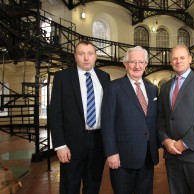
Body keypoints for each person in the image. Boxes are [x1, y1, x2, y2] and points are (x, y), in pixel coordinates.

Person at [49, 40, 110, 194]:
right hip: (71, 144)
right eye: (81, 54)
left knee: (93, 187)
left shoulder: (104, 77)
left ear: (96, 56)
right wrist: (60, 145)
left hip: (98, 142)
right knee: (70, 187)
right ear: (75, 56)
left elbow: (109, 112)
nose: (86, 58)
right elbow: (55, 113)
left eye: (90, 53)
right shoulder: (62, 77)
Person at [157, 45, 194, 194]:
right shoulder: (165, 88)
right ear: (171, 61)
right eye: (175, 58)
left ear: (190, 59)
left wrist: (184, 143)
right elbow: (161, 118)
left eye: (182, 57)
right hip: (172, 156)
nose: (178, 61)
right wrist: (165, 140)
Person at [101, 46, 159, 194]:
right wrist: (111, 152)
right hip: (122, 157)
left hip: (147, 157)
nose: (137, 66)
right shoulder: (113, 88)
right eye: (133, 62)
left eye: (141, 62)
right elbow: (107, 123)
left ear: (146, 64)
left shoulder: (152, 89)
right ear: (126, 64)